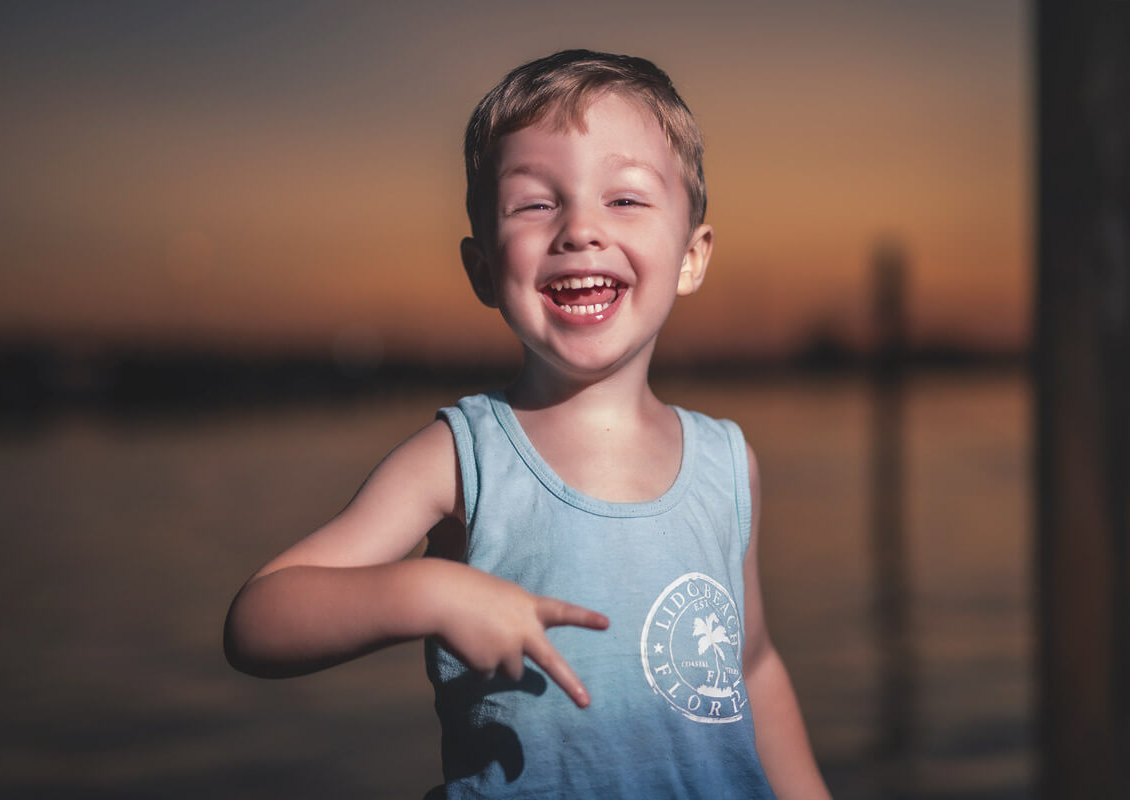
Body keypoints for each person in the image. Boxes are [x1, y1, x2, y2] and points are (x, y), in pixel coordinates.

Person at [224, 49, 831, 799]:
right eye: (536, 204)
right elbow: (259, 620)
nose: (580, 229)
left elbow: (753, 666)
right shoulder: (461, 456)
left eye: (627, 200)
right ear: (483, 270)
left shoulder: (728, 463)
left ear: (691, 256)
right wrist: (431, 593)